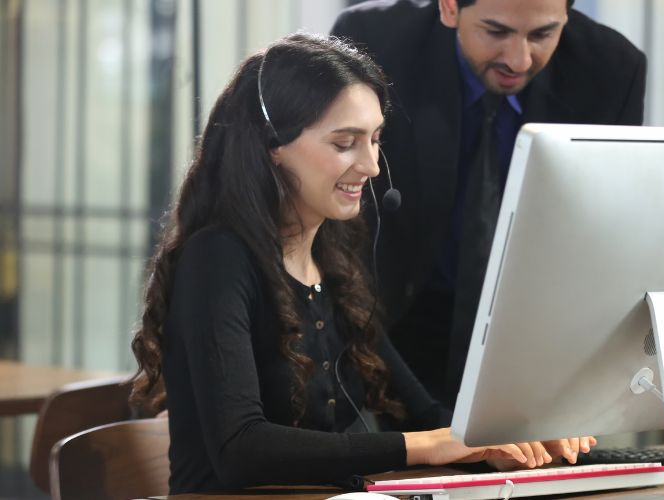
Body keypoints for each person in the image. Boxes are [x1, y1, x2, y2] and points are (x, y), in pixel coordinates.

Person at [128, 33, 593, 495]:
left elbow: (426, 417)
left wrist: (508, 439)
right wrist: (423, 447)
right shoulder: (217, 258)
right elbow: (240, 448)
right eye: (345, 143)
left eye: (375, 140)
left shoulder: (332, 260)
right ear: (273, 143)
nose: (371, 165)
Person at [332, 0, 647, 407]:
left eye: (542, 35)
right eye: (496, 32)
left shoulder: (613, 69)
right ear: (449, 8)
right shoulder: (372, 42)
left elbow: (605, 230)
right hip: (389, 324)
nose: (519, 59)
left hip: (535, 344)